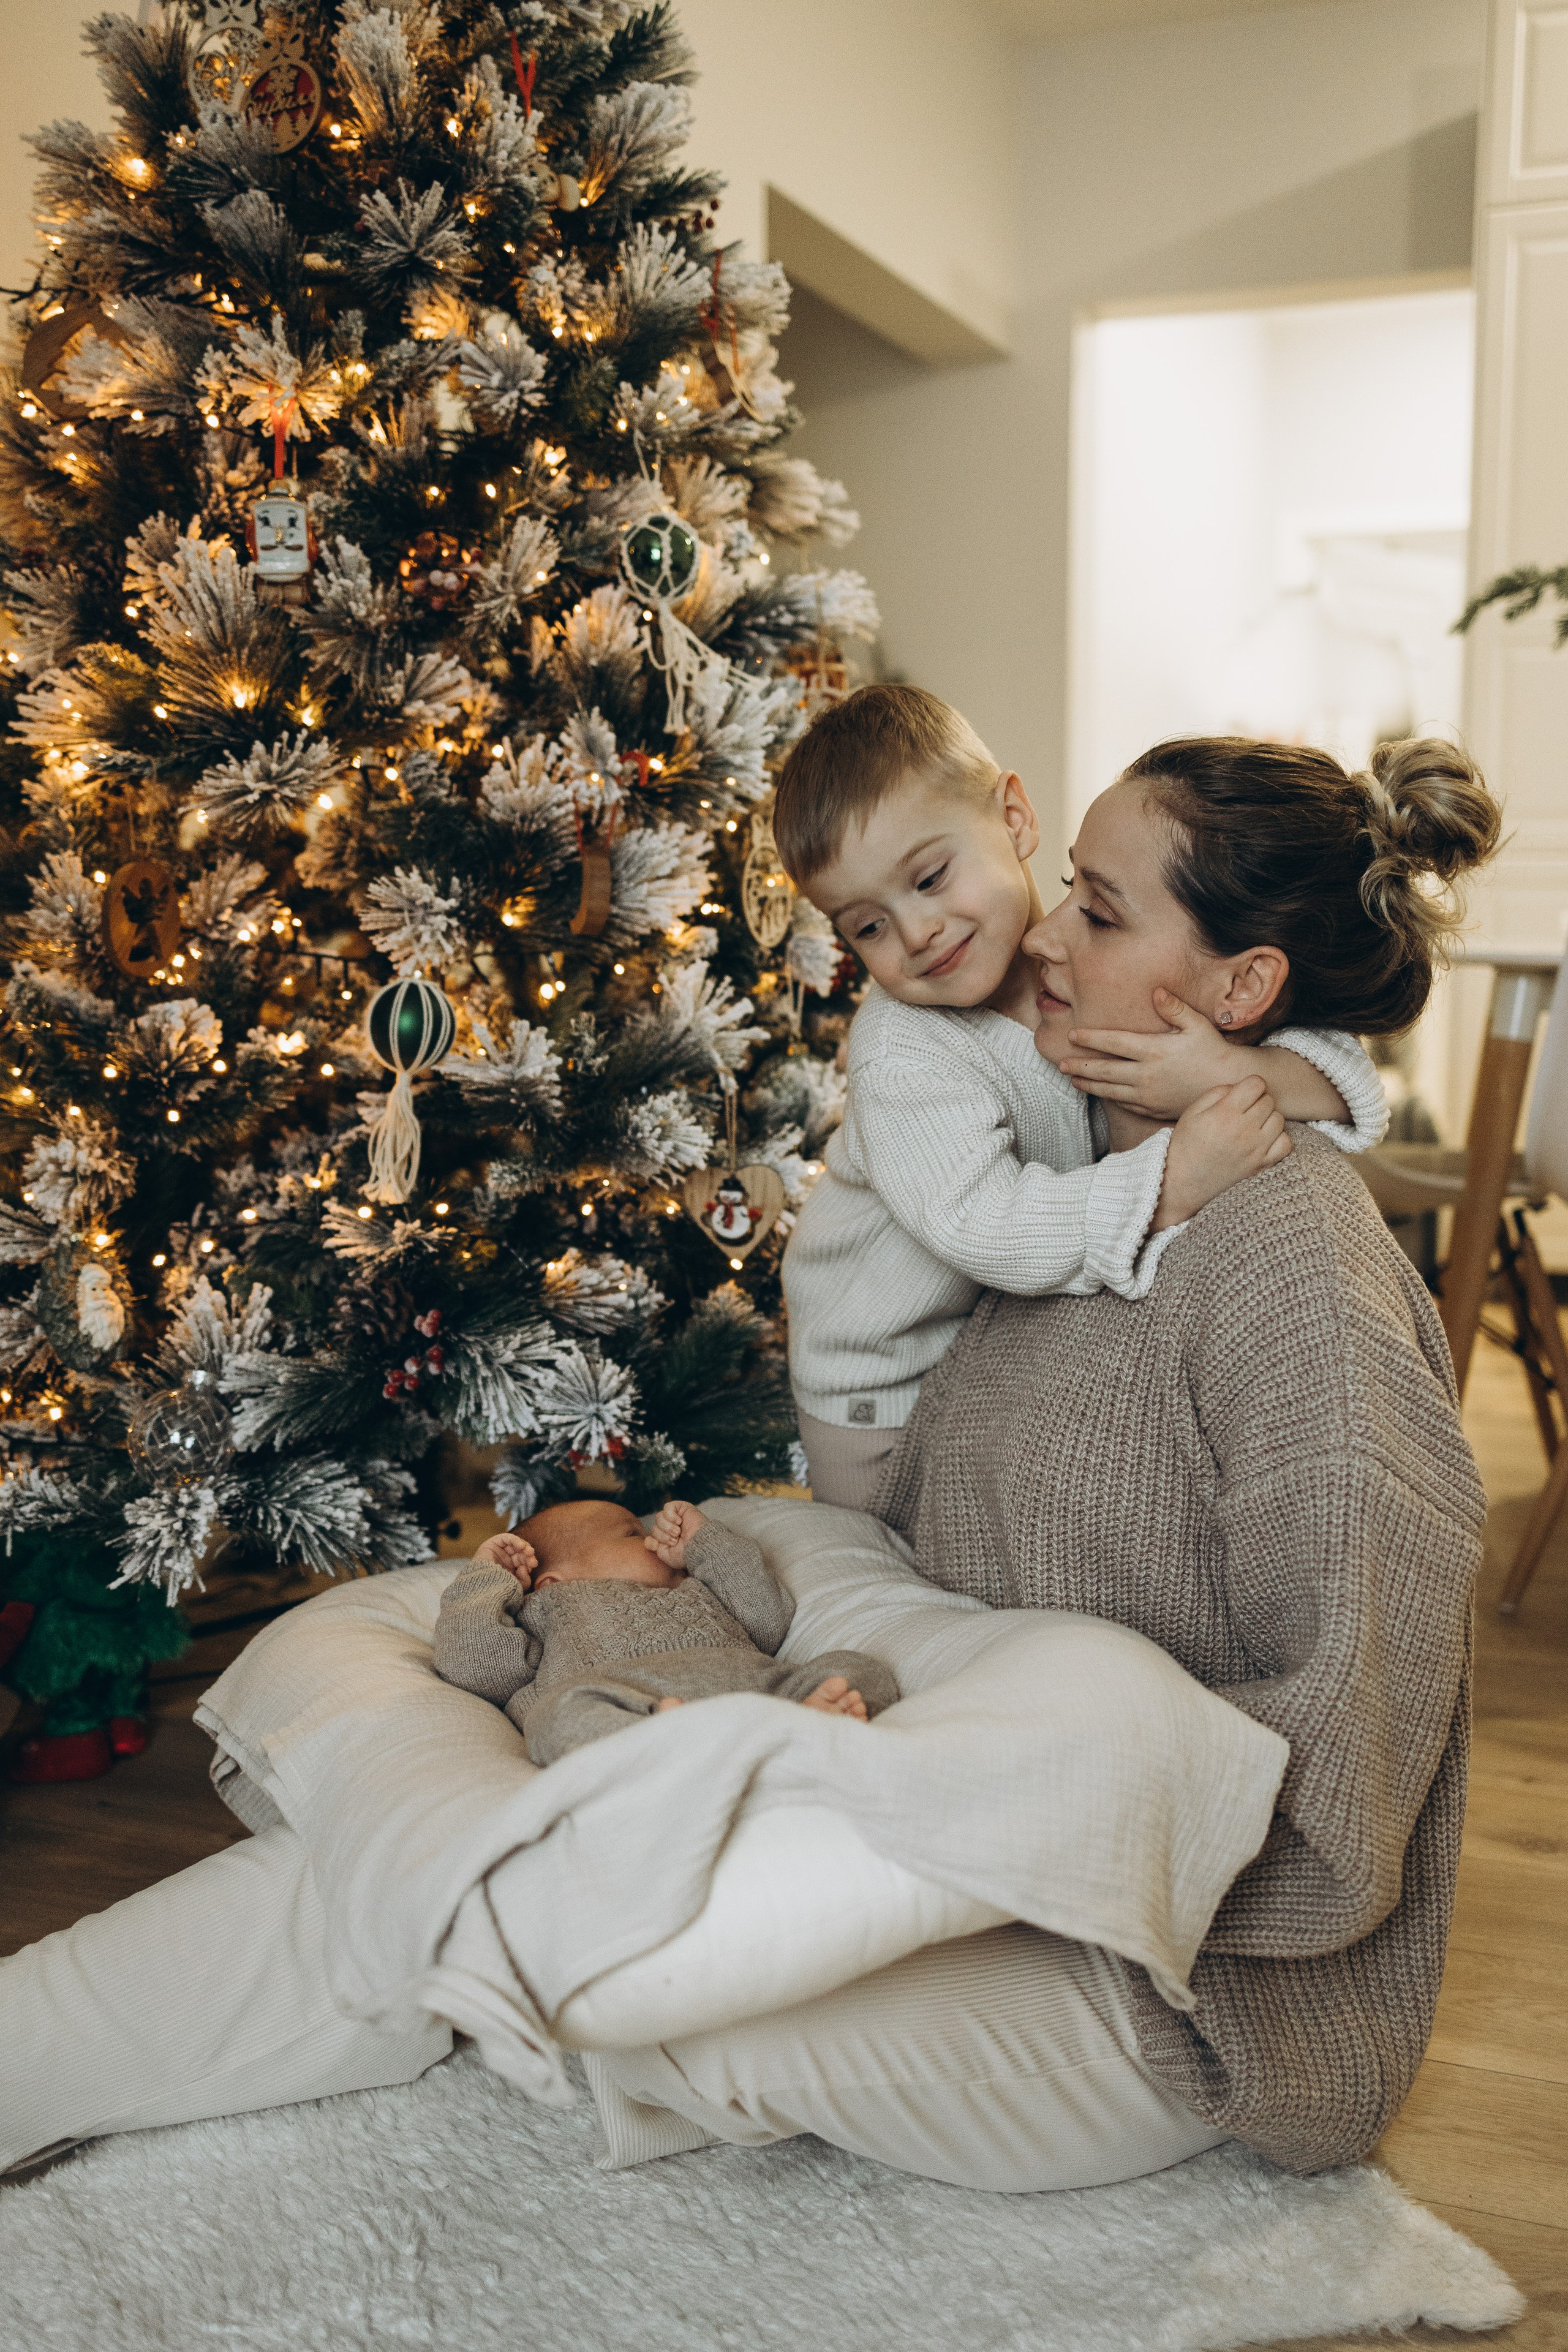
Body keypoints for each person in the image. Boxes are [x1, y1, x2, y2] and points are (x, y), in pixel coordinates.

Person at [586, 732, 1498, 2186]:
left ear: (1238, 992)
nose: (1035, 940)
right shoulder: (1075, 1162)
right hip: (958, 1718)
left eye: (1098, 907)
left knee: (619, 2003)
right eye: (1063, 885)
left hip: (1165, 1969)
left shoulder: (1288, 1260)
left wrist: (1065, 1840)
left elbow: (1362, 1695)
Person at [772, 685, 1389, 1509]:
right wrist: (1173, 1182)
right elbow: (985, 1226)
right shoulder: (906, 1050)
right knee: (892, 1582)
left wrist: (1221, 1073)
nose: (915, 933)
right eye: (867, 927)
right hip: (878, 1399)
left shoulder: (1081, 973)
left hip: (991, 1350)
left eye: (929, 878)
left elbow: (1346, 1087)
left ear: (1016, 818)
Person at [434, 1501, 895, 1763]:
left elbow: (767, 1619)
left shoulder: (698, 1589)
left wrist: (704, 1541)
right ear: (558, 1580)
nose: (657, 1537)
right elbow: (478, 1668)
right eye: (634, 1535)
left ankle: (804, 1721)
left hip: (757, 1690)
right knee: (555, 1720)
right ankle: (661, 1744)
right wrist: (488, 1580)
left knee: (859, 1669)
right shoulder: (549, 1609)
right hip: (626, 1704)